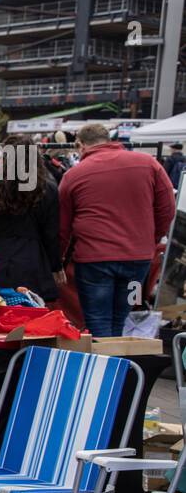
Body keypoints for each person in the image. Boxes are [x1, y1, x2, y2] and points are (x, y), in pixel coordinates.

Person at [59, 122, 175, 337]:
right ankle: (119, 363)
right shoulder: (148, 164)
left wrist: (58, 261)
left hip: (94, 259)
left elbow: (63, 227)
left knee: (97, 319)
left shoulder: (73, 175)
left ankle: (106, 365)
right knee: (122, 315)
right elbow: (167, 209)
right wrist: (151, 240)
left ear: (80, 145)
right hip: (137, 260)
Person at [0, 135, 62, 302]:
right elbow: (51, 234)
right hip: (32, 260)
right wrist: (55, 266)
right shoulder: (48, 188)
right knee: (30, 314)